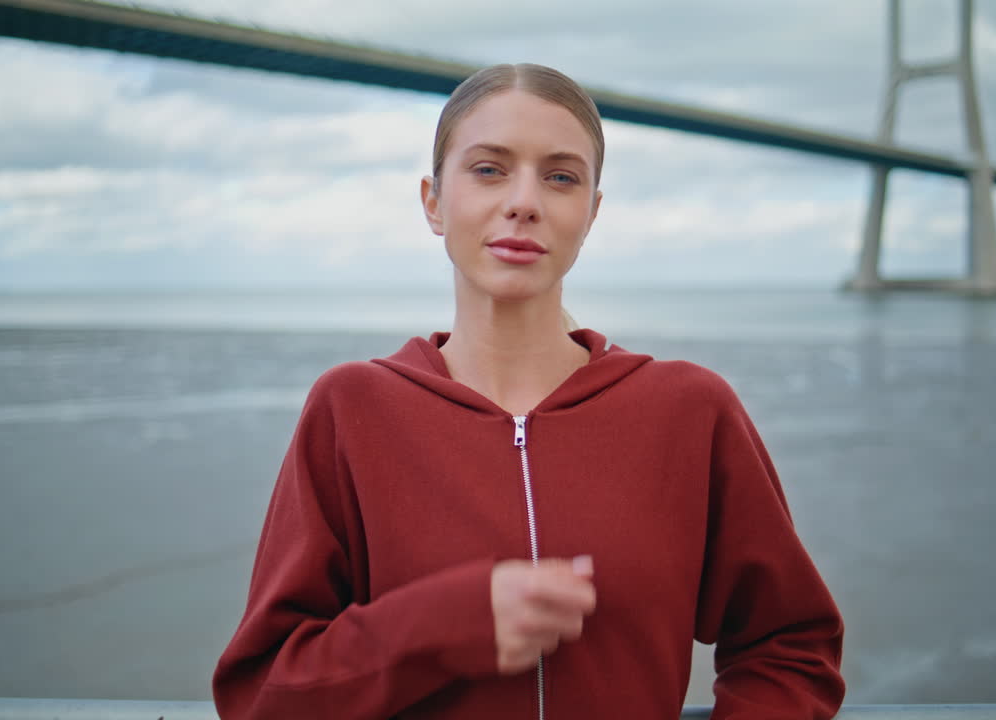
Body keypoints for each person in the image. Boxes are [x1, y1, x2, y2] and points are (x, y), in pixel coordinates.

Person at [212, 63, 845, 720]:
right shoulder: (350, 409)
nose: (524, 201)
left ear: (592, 212)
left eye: (561, 177)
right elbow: (260, 695)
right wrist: (444, 626)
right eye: (488, 169)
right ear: (433, 202)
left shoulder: (690, 410)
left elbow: (790, 646)